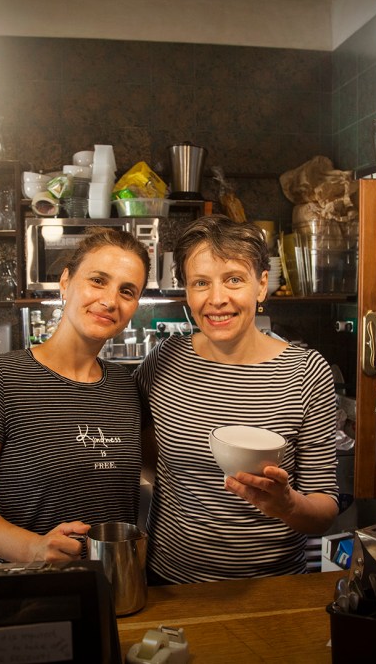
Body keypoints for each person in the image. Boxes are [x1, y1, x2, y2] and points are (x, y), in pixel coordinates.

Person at [134, 214, 340, 583]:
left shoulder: (306, 372)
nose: (217, 300)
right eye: (201, 283)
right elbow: (132, 438)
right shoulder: (163, 361)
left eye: (233, 279)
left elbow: (324, 509)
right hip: (170, 585)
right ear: (187, 292)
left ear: (261, 285)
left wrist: (288, 505)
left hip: (272, 590)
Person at [0, 228, 150, 563]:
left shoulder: (126, 386)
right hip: (32, 591)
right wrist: (32, 548)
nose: (110, 300)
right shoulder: (0, 378)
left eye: (127, 291)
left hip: (118, 588)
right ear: (66, 282)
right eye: (98, 280)